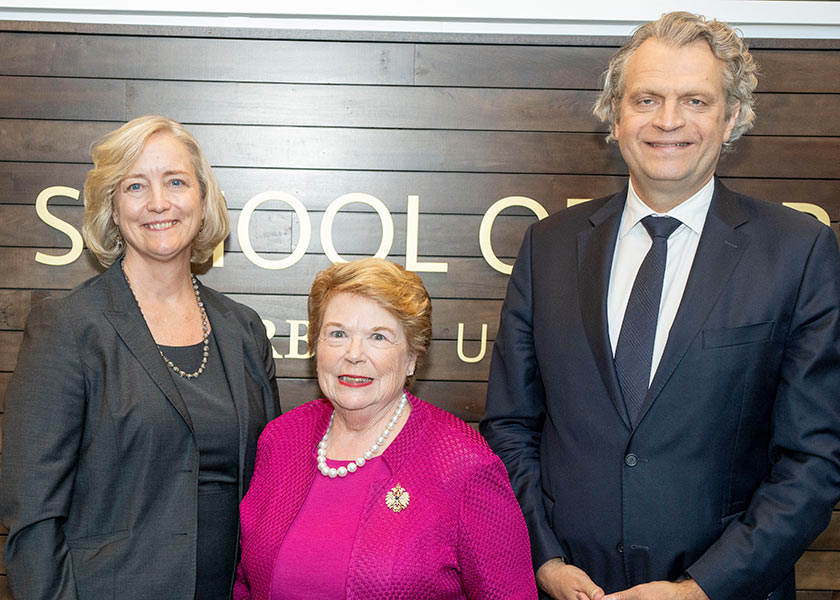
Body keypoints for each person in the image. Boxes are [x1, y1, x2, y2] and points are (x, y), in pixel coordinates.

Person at [481, 11, 840, 600]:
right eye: (647, 98)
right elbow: (511, 426)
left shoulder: (797, 253)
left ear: (732, 119)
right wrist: (543, 560)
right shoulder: (548, 246)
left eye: (696, 101)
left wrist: (699, 590)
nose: (668, 121)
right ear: (615, 115)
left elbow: (813, 460)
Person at [0, 115, 281, 599]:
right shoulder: (69, 327)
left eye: (176, 181)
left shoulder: (243, 329)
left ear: (202, 197)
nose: (159, 202)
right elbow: (34, 520)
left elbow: (272, 489)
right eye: (135, 185)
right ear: (112, 207)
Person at [234, 258, 537, 599]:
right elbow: (245, 583)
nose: (353, 354)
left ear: (411, 358)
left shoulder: (464, 464)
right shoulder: (282, 438)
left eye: (378, 337)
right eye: (337, 334)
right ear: (316, 346)